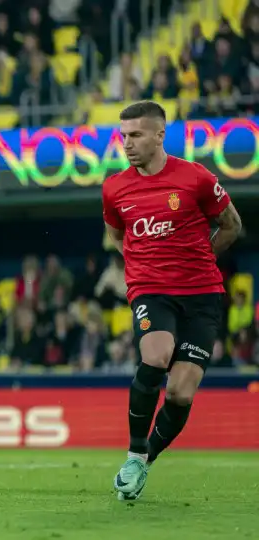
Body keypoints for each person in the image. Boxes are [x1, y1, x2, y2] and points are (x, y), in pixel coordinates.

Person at [101, 100, 242, 500]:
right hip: (151, 289)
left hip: (202, 294)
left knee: (181, 392)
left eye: (136, 135)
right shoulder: (114, 187)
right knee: (157, 355)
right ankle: (132, 452)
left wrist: (199, 258)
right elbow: (117, 235)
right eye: (123, 136)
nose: (127, 144)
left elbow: (232, 225)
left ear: (160, 135)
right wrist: (145, 268)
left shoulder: (195, 178)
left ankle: (144, 463)